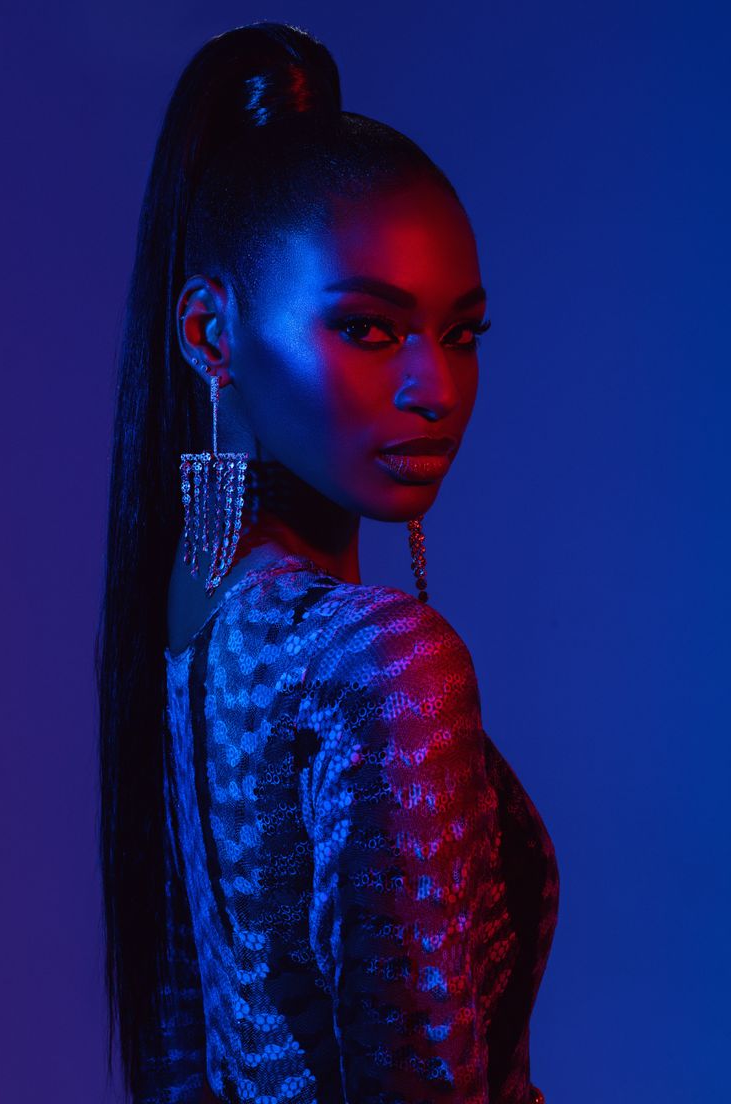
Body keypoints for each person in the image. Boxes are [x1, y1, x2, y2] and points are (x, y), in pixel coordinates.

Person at [96, 20, 560, 1104]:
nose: (433, 389)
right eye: (368, 330)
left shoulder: (193, 615)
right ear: (211, 335)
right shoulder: (383, 665)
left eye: (460, 334)